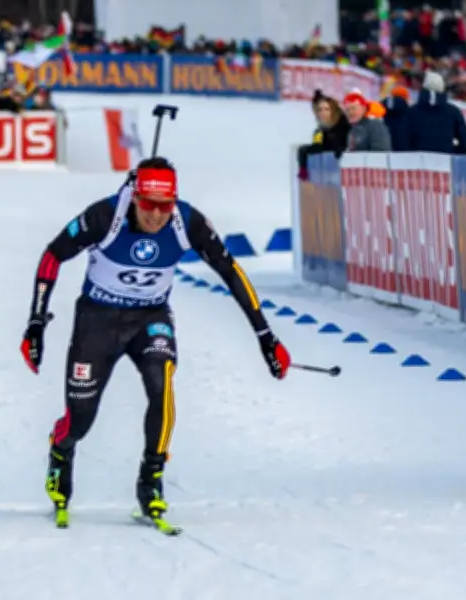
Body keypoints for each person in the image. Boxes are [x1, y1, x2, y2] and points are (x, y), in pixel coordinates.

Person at [20, 157, 291, 529]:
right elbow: (53, 255)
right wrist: (36, 322)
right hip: (97, 320)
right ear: (134, 197)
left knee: (161, 385)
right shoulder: (105, 216)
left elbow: (230, 270)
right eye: (148, 205)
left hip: (150, 319)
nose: (156, 216)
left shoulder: (186, 221)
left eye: (165, 206)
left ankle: (151, 481)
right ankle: (62, 450)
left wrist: (265, 336)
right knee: (81, 418)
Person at [297, 89, 351, 181]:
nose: (322, 113)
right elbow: (317, 146)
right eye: (320, 110)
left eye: (326, 110)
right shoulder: (320, 129)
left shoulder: (342, 123)